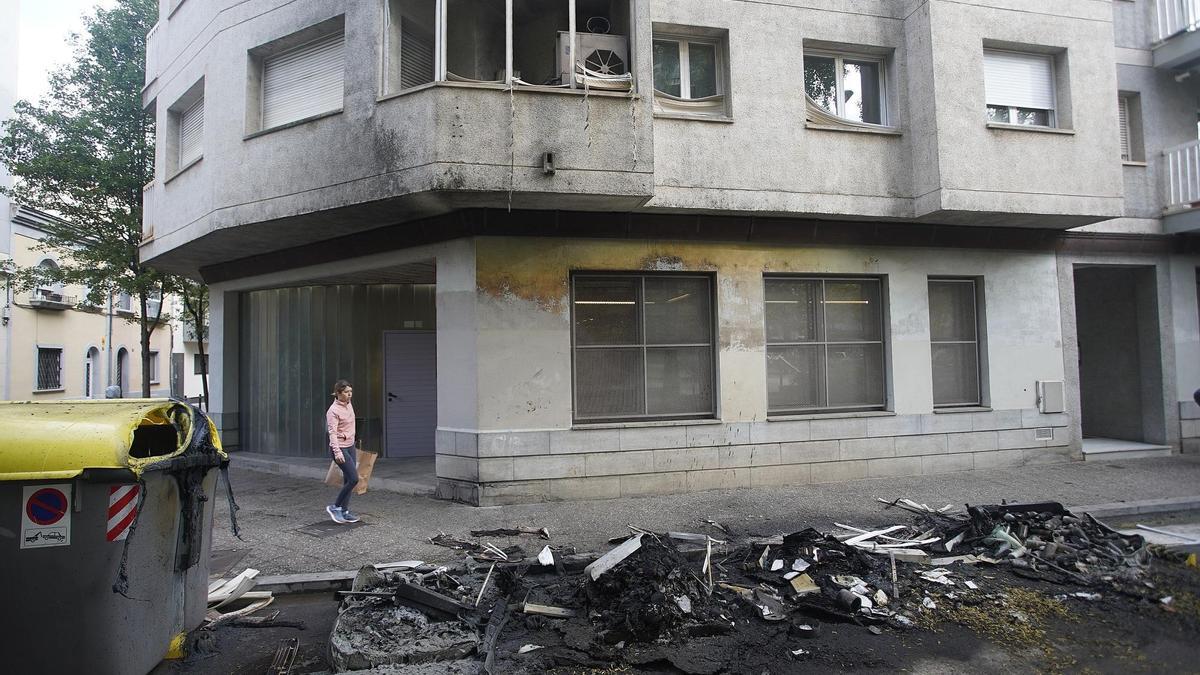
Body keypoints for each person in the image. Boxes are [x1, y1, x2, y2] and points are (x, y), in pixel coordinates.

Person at [325, 379, 361, 524]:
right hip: (339, 448)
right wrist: (337, 452)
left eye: (351, 392)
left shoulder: (348, 404)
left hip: (350, 445)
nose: (350, 395)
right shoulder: (333, 411)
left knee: (348, 479)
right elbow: (332, 433)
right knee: (354, 479)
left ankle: (344, 512)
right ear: (338, 393)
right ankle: (336, 507)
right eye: (346, 392)